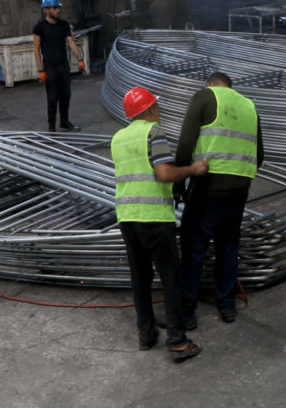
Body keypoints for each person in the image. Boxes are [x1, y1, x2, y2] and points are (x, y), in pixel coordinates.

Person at [111, 87, 206, 363]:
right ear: (149, 110)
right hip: (154, 216)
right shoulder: (153, 132)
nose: (159, 110)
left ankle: (147, 335)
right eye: (156, 106)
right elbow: (164, 173)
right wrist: (192, 170)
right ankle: (177, 341)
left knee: (140, 278)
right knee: (171, 278)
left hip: (128, 217)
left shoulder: (117, 138)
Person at [175, 72, 263, 329]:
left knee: (194, 250)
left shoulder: (204, 97)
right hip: (238, 189)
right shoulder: (248, 105)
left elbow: (185, 145)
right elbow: (260, 154)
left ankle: (187, 314)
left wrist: (179, 183)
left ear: (209, 85)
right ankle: (227, 307)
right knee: (227, 247)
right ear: (230, 87)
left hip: (207, 186)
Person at [32, 0, 85, 132]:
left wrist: (80, 59)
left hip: (63, 65)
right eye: (55, 8)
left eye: (58, 8)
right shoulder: (40, 27)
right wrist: (40, 70)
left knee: (66, 95)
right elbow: (36, 49)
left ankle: (64, 121)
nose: (58, 10)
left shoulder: (64, 25)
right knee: (53, 97)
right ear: (46, 10)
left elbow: (71, 42)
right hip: (50, 67)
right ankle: (51, 126)